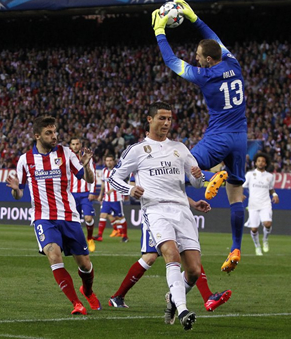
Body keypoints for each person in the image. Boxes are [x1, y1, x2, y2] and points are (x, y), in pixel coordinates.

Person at [152, 0, 248, 273]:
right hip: (240, 137)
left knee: (185, 172)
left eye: (197, 54)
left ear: (207, 59)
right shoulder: (234, 62)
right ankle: (235, 246)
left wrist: (160, 30)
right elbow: (214, 39)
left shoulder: (205, 75)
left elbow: (171, 61)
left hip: (218, 137)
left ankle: (210, 177)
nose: (194, 57)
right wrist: (194, 18)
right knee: (237, 195)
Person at [108, 102, 206, 330]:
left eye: (169, 119)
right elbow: (114, 178)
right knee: (171, 254)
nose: (166, 123)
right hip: (156, 210)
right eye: (162, 118)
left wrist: (198, 176)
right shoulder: (137, 150)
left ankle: (173, 298)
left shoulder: (180, 148)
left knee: (194, 271)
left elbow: (196, 182)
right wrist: (130, 189)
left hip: (182, 211)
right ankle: (182, 310)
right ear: (150, 120)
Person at [6, 116, 101, 315]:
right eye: (49, 133)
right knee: (53, 254)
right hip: (43, 217)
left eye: (55, 131)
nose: (54, 136)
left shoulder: (65, 153)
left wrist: (87, 166)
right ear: (37, 135)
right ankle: (76, 303)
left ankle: (88, 290)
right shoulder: (25, 160)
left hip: (68, 216)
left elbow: (88, 179)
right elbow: (19, 194)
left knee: (84, 264)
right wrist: (15, 189)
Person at [108, 196, 231, 313]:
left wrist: (192, 203)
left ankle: (205, 297)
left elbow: (174, 191)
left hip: (175, 214)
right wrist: (134, 189)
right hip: (155, 215)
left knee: (188, 253)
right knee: (149, 257)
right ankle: (118, 296)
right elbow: (135, 186)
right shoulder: (142, 174)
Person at [243, 152, 279, 256]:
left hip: (265, 203)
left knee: (267, 223)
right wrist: (240, 195)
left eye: (263, 161)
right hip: (253, 204)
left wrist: (275, 194)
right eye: (259, 161)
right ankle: (257, 246)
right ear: (255, 163)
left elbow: (271, 188)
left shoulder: (270, 176)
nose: (260, 163)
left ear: (266, 163)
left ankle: (265, 240)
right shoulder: (250, 175)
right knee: (254, 229)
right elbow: (242, 186)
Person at [69, 137, 97, 252]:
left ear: (80, 145)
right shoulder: (67, 158)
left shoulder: (87, 157)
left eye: (77, 143)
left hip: (85, 194)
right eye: (73, 144)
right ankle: (75, 241)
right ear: (70, 146)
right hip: (71, 194)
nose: (75, 146)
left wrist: (92, 192)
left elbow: (93, 175)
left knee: (88, 218)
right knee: (73, 220)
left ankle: (90, 238)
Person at [94, 154, 129, 242]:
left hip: (116, 198)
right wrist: (100, 195)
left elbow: (121, 183)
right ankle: (99, 236)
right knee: (102, 215)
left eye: (110, 160)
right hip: (106, 199)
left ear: (114, 161)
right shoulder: (104, 170)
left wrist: (112, 190)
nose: (108, 162)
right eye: (107, 160)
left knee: (120, 217)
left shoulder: (117, 171)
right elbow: (103, 183)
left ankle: (125, 236)